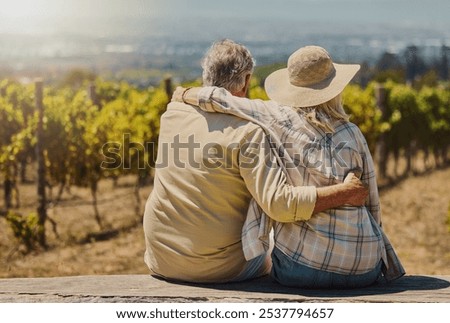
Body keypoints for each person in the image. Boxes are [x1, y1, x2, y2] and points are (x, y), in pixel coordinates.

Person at [176, 45, 405, 288]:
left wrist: (183, 93)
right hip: (364, 267)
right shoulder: (353, 133)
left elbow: (223, 99)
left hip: (301, 269)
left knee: (272, 237)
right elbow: (372, 203)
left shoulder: (275, 118)